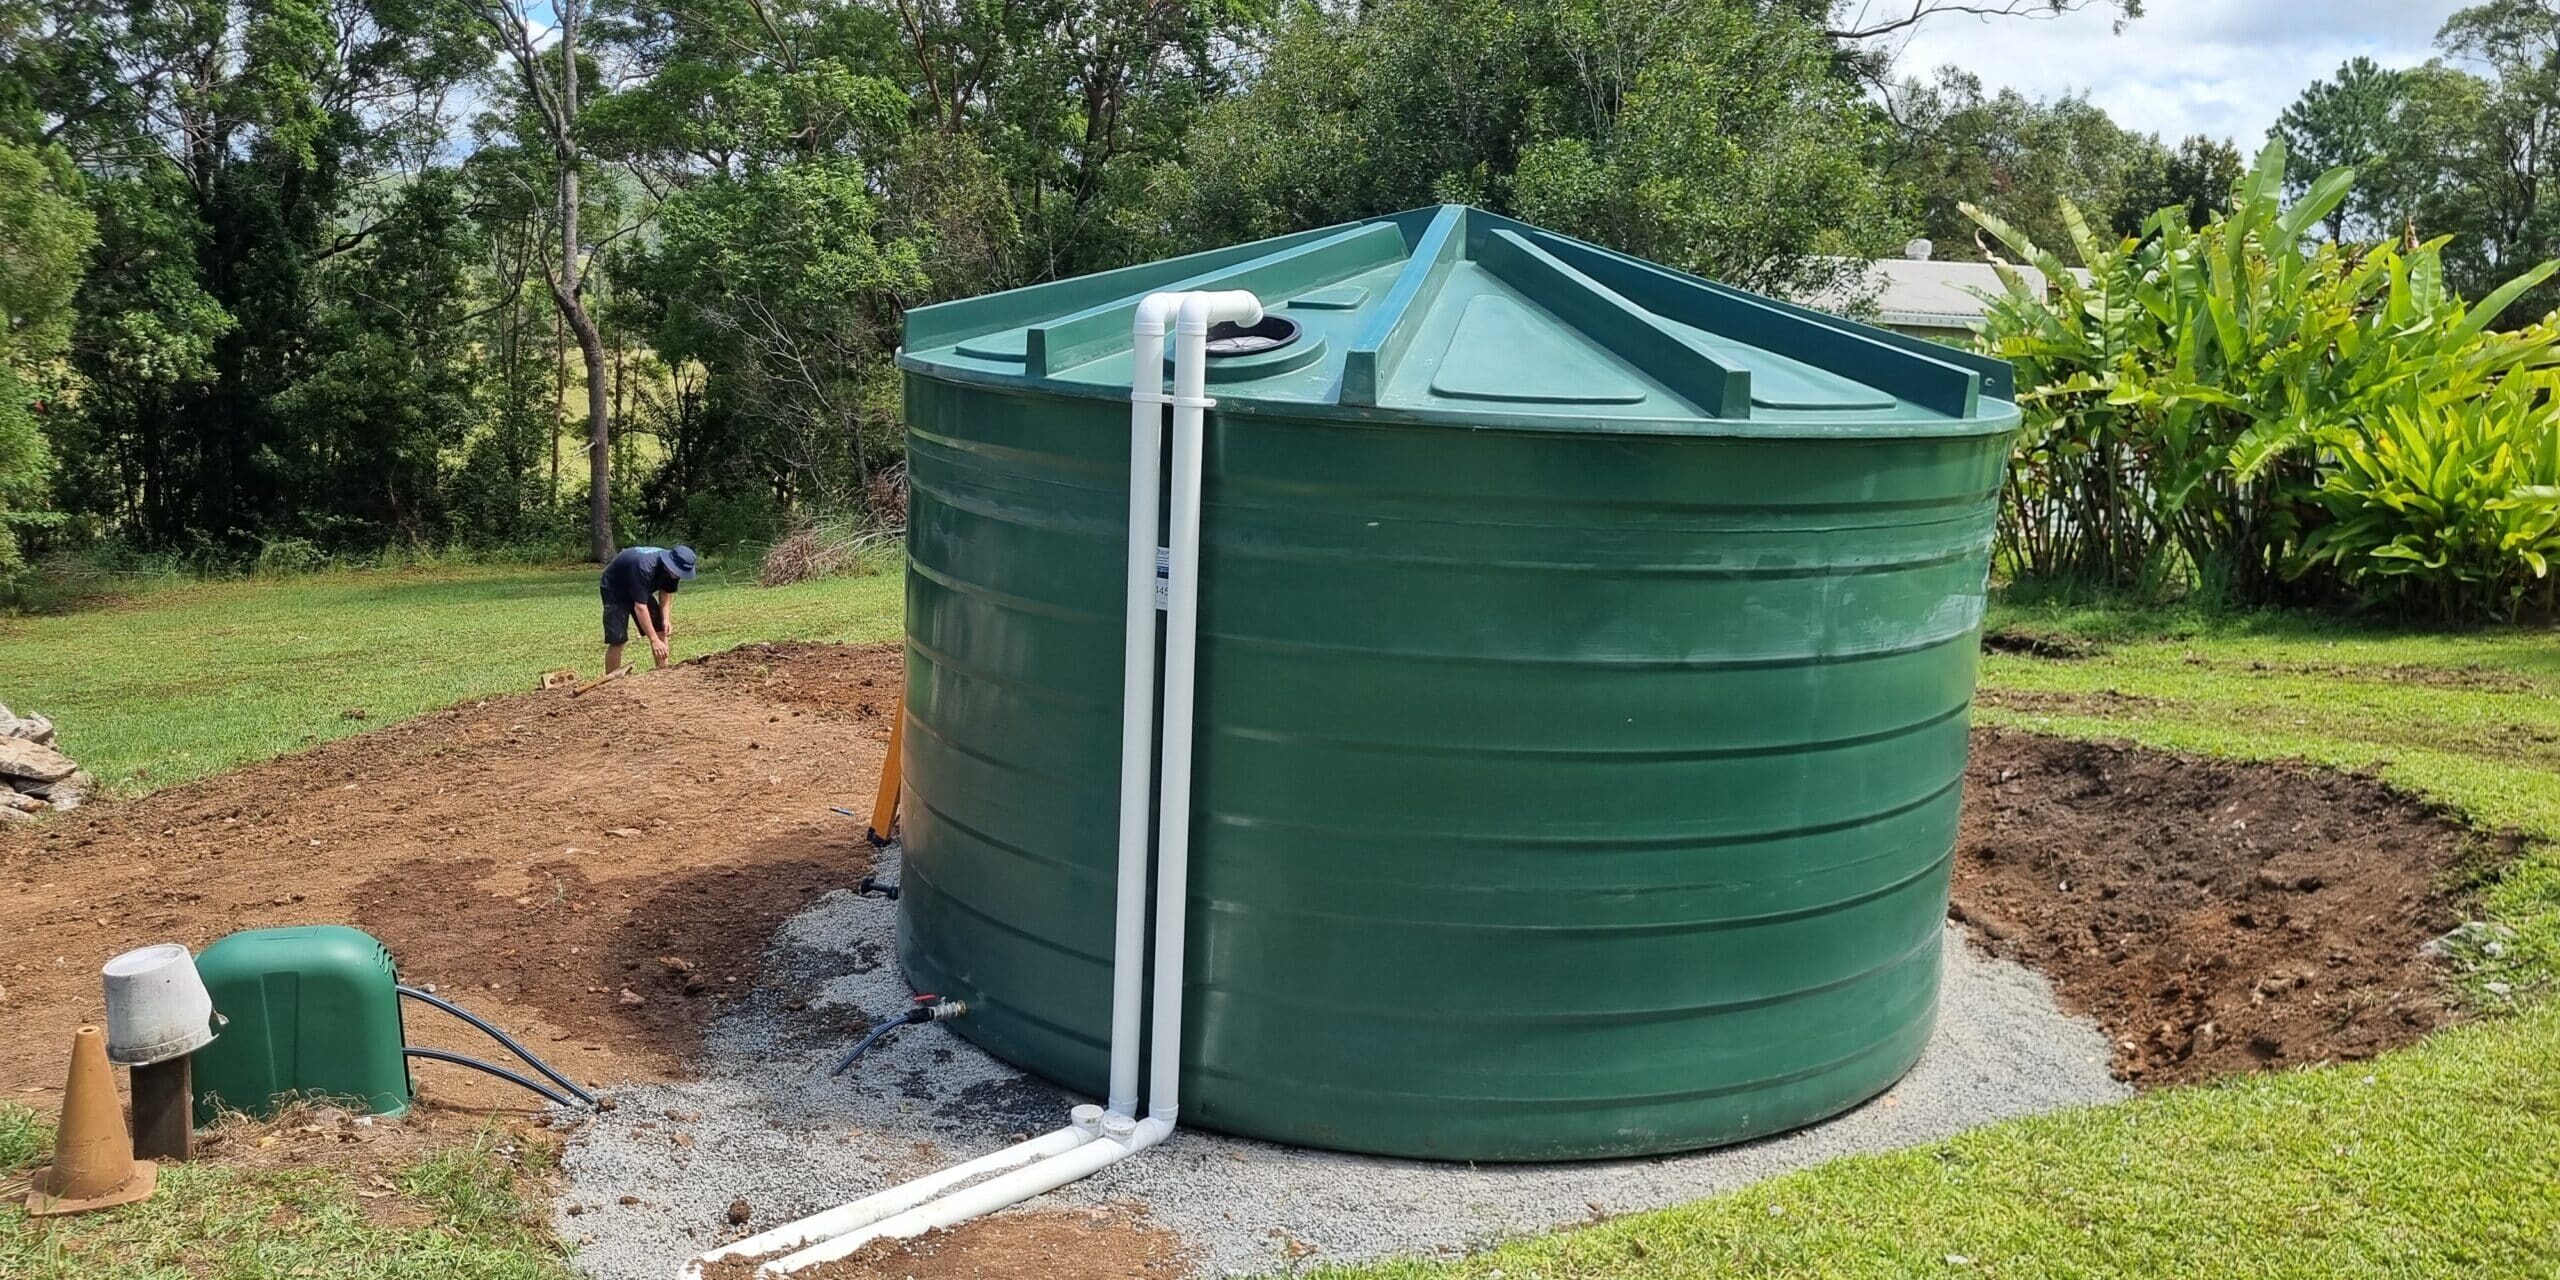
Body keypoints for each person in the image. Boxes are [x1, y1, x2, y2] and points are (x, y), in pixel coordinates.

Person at [600, 544, 698, 672]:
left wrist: (665, 619)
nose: (678, 575)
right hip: (615, 588)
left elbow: (666, 592)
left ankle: (663, 671)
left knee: (660, 629)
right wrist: (654, 640)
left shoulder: (674, 569)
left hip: (639, 586)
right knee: (618, 639)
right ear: (669, 564)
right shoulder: (645, 568)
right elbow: (640, 607)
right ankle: (611, 682)